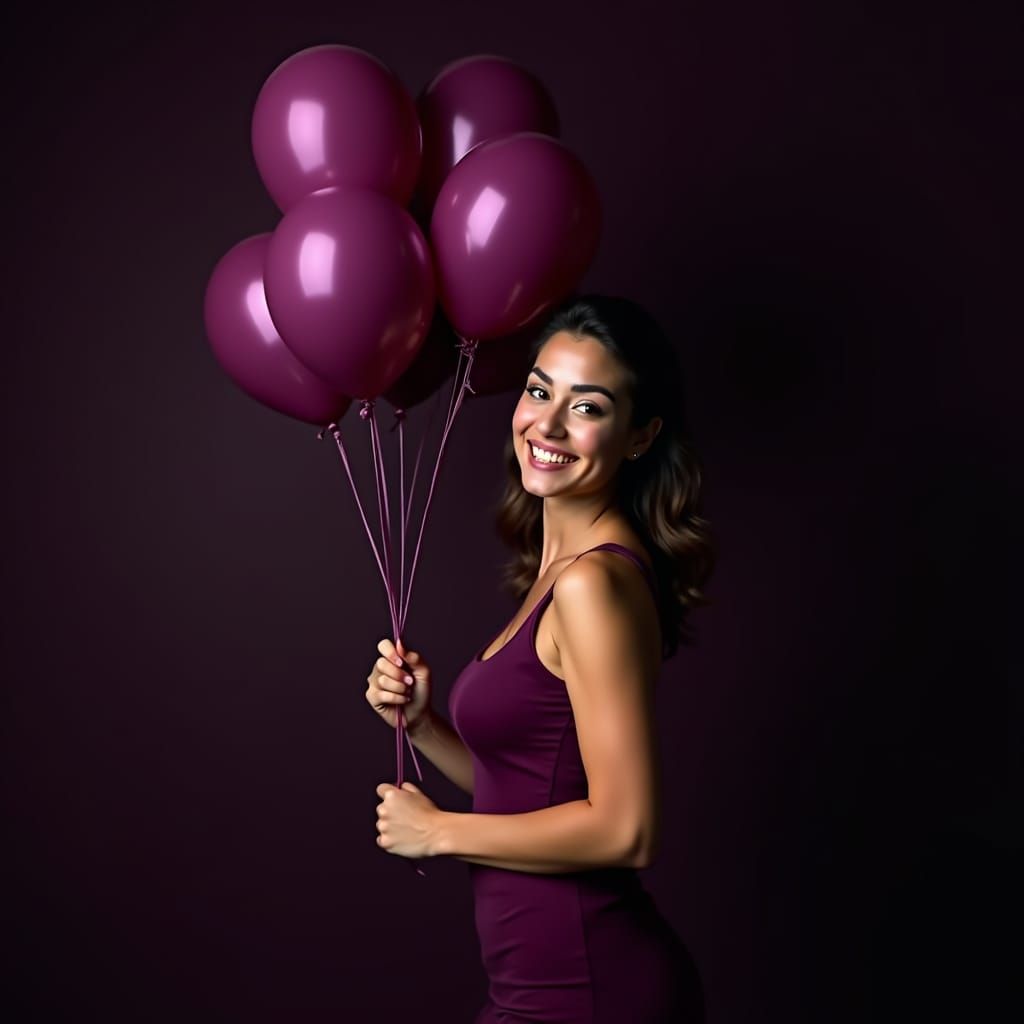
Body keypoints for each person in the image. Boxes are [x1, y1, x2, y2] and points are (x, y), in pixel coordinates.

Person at [366, 293, 715, 1022]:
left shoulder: (592, 583)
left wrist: (439, 832)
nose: (546, 425)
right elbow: (530, 788)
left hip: (588, 990)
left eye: (587, 407)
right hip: (540, 987)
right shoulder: (558, 572)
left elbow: (627, 829)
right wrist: (426, 726)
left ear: (640, 434)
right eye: (537, 390)